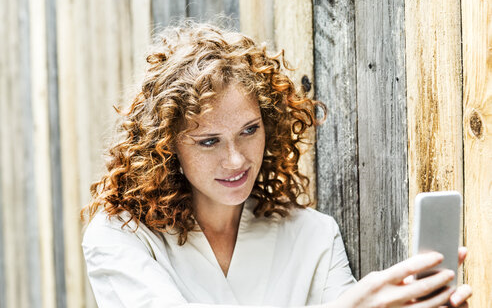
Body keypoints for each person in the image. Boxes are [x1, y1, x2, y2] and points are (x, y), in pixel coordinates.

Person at [81, 21, 472, 307]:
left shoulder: (312, 236)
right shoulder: (121, 237)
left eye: (249, 130)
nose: (235, 159)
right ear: (168, 147)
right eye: (209, 141)